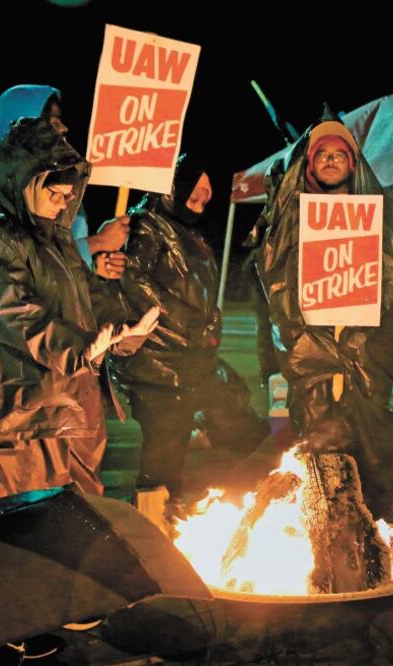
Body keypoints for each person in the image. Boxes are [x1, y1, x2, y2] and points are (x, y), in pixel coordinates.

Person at [0, 117, 158, 498]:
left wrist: (125, 331)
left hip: (78, 408)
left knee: (87, 521)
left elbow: (91, 301)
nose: (62, 205)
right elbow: (12, 312)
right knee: (36, 529)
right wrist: (77, 349)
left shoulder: (60, 243)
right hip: (27, 415)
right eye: (54, 196)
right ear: (27, 184)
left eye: (68, 197)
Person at [257, 112, 393, 523]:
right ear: (310, 164)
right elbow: (272, 279)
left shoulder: (376, 213)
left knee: (366, 437)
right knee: (319, 440)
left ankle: (371, 524)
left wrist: (358, 336)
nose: (331, 161)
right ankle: (324, 522)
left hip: (362, 350)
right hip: (311, 350)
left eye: (339, 155)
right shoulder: (290, 216)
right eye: (322, 155)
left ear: (353, 163)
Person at [113, 154, 270, 507]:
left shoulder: (187, 231)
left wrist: (210, 321)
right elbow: (134, 282)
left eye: (204, 199)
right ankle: (151, 518)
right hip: (155, 362)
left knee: (182, 441)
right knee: (163, 448)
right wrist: (188, 321)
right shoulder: (146, 226)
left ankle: (167, 509)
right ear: (174, 188)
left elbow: (197, 287)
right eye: (193, 196)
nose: (198, 206)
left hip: (187, 358)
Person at [0, 84, 129, 277]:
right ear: (24, 126)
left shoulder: (51, 175)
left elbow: (57, 266)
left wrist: (93, 266)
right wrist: (98, 242)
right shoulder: (2, 182)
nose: (64, 128)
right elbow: (23, 263)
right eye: (52, 122)